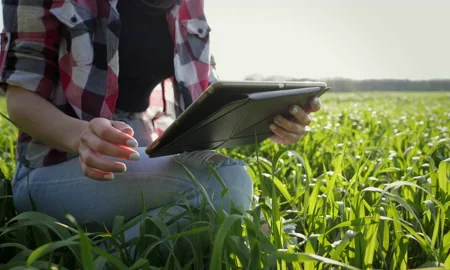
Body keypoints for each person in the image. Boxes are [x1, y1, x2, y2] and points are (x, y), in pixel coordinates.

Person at [1, 0, 321, 246]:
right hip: (56, 162)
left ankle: (103, 249)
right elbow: (19, 97)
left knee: (245, 217)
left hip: (143, 151)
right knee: (227, 185)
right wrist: (79, 136)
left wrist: (265, 120)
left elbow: (204, 92)